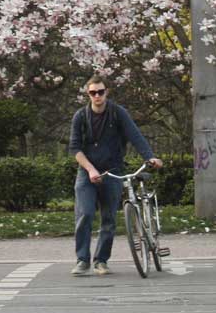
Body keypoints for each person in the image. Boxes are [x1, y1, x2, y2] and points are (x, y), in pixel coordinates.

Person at [68, 75, 163, 276]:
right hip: (88, 172)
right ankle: (82, 260)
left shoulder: (118, 113)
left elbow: (135, 136)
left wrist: (150, 157)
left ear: (106, 92)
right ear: (88, 94)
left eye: (100, 92)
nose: (97, 96)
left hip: (113, 171)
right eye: (93, 93)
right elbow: (75, 148)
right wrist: (90, 169)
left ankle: (101, 260)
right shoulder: (80, 117)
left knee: (109, 217)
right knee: (85, 213)